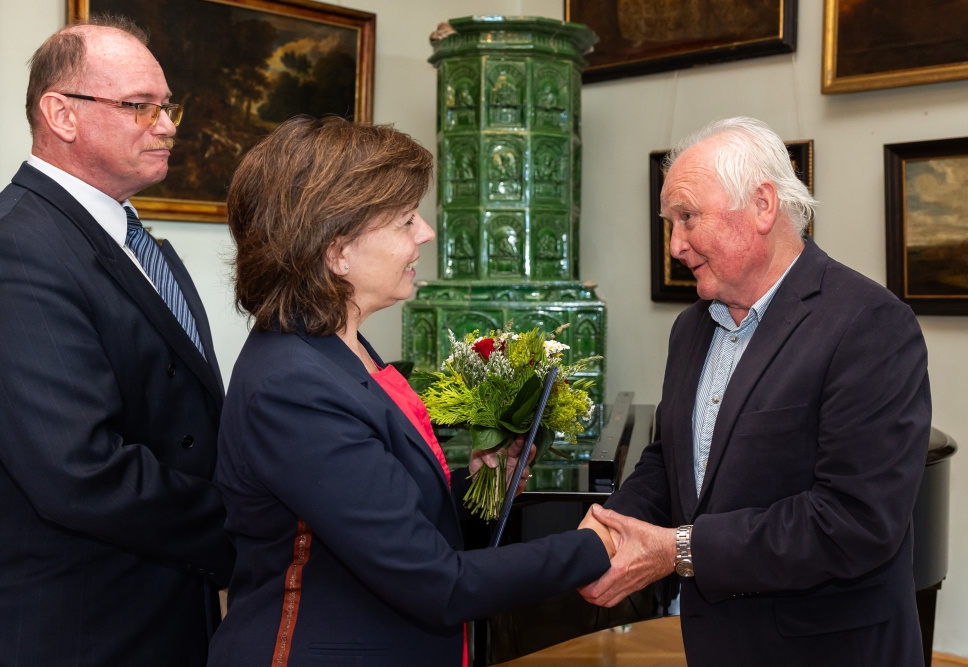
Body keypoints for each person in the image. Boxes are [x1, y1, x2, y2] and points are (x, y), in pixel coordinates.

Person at [207, 115, 614, 667]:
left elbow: (383, 509)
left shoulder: (338, 346)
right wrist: (595, 547)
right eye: (404, 220)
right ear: (337, 251)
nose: (425, 233)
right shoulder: (293, 387)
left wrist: (480, 485)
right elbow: (437, 583)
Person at [580, 117, 931, 666]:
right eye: (670, 224)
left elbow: (855, 521)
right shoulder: (691, 327)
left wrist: (679, 551)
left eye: (688, 217)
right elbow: (670, 461)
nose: (675, 245)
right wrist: (608, 527)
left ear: (763, 205)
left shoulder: (869, 324)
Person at [0, 17, 233, 666]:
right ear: (62, 115)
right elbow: (79, 469)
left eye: (168, 106)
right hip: (84, 628)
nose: (168, 125)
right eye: (140, 106)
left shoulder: (136, 240)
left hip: (167, 610)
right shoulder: (17, 245)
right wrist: (248, 524)